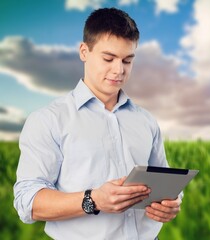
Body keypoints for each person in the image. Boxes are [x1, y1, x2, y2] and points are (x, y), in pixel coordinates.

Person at [13, 7, 182, 240]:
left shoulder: (146, 121)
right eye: (108, 58)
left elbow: (164, 181)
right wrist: (93, 200)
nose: (119, 70)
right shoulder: (48, 120)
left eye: (127, 60)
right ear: (84, 51)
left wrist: (171, 202)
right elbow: (27, 201)